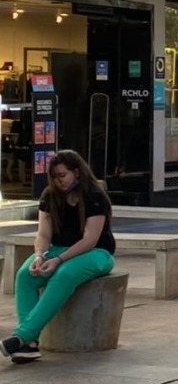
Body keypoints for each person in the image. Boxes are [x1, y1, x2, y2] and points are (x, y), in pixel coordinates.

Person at [1, 150, 116, 363]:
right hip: (57, 248)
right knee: (26, 275)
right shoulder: (49, 195)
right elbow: (44, 234)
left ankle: (23, 336)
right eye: (54, 176)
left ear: (77, 172)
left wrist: (59, 260)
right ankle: (29, 345)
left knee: (64, 275)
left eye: (62, 175)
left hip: (96, 253)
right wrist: (39, 256)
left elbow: (90, 239)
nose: (58, 181)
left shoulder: (94, 196)